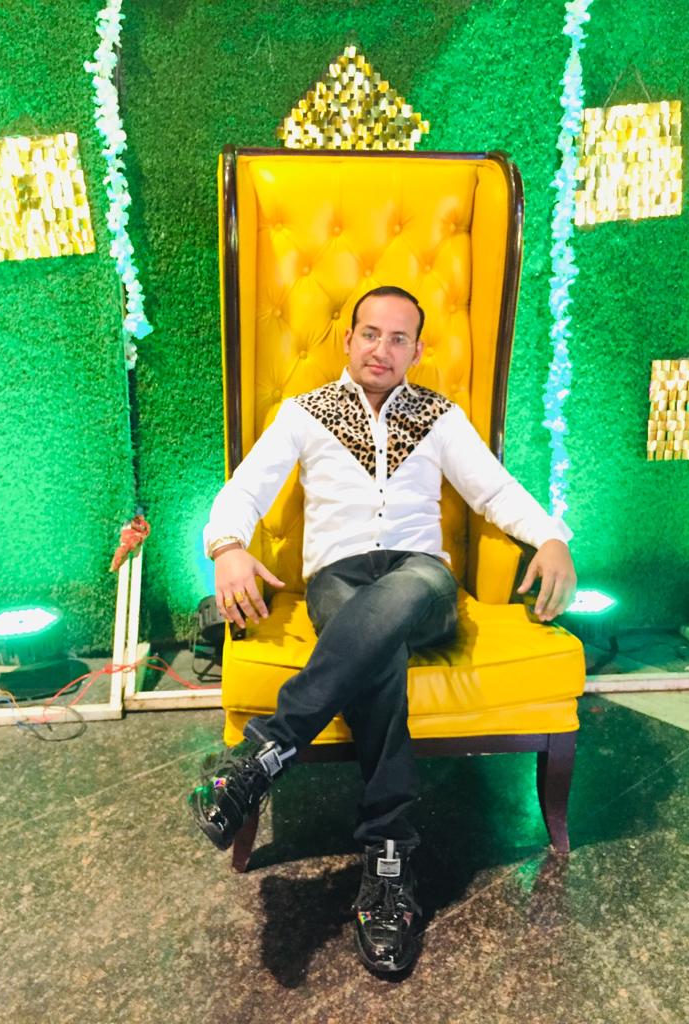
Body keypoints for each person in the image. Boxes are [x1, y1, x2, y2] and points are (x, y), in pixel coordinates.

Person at [192, 285, 577, 974]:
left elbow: (494, 491)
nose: (382, 348)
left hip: (421, 579)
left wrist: (551, 537)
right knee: (377, 654)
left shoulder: (439, 417)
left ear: (416, 350)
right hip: (338, 580)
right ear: (348, 339)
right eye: (370, 333)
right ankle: (388, 861)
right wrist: (226, 547)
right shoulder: (304, 414)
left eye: (399, 338)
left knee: (406, 595)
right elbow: (245, 491)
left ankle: (266, 754)